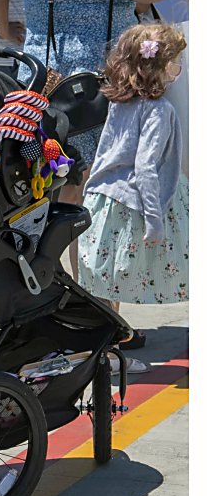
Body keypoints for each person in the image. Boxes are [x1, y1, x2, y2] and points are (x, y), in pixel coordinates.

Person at [15, 0, 188, 282]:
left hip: (39, 74)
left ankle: (44, 292)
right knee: (94, 191)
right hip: (92, 80)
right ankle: (94, 300)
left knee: (53, 187)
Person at [77, 23, 188, 363]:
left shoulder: (120, 102)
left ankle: (107, 350)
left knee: (104, 281)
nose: (179, 67)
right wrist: (154, 220)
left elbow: (105, 153)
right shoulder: (160, 110)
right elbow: (146, 166)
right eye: (175, 60)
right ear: (159, 66)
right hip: (134, 203)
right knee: (119, 278)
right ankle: (107, 354)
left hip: (104, 199)